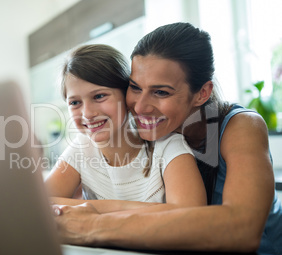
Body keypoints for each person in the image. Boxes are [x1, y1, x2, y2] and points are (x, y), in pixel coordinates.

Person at [52, 23, 282, 255]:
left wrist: (91, 222)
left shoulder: (240, 126)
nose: (139, 107)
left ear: (202, 93)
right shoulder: (143, 139)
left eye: (161, 92)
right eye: (135, 88)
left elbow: (242, 229)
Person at [45, 44, 207, 213]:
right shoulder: (81, 148)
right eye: (75, 102)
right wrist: (122, 207)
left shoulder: (168, 146)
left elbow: (190, 215)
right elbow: (39, 203)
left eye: (99, 96)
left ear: (127, 95)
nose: (88, 113)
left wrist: (96, 210)